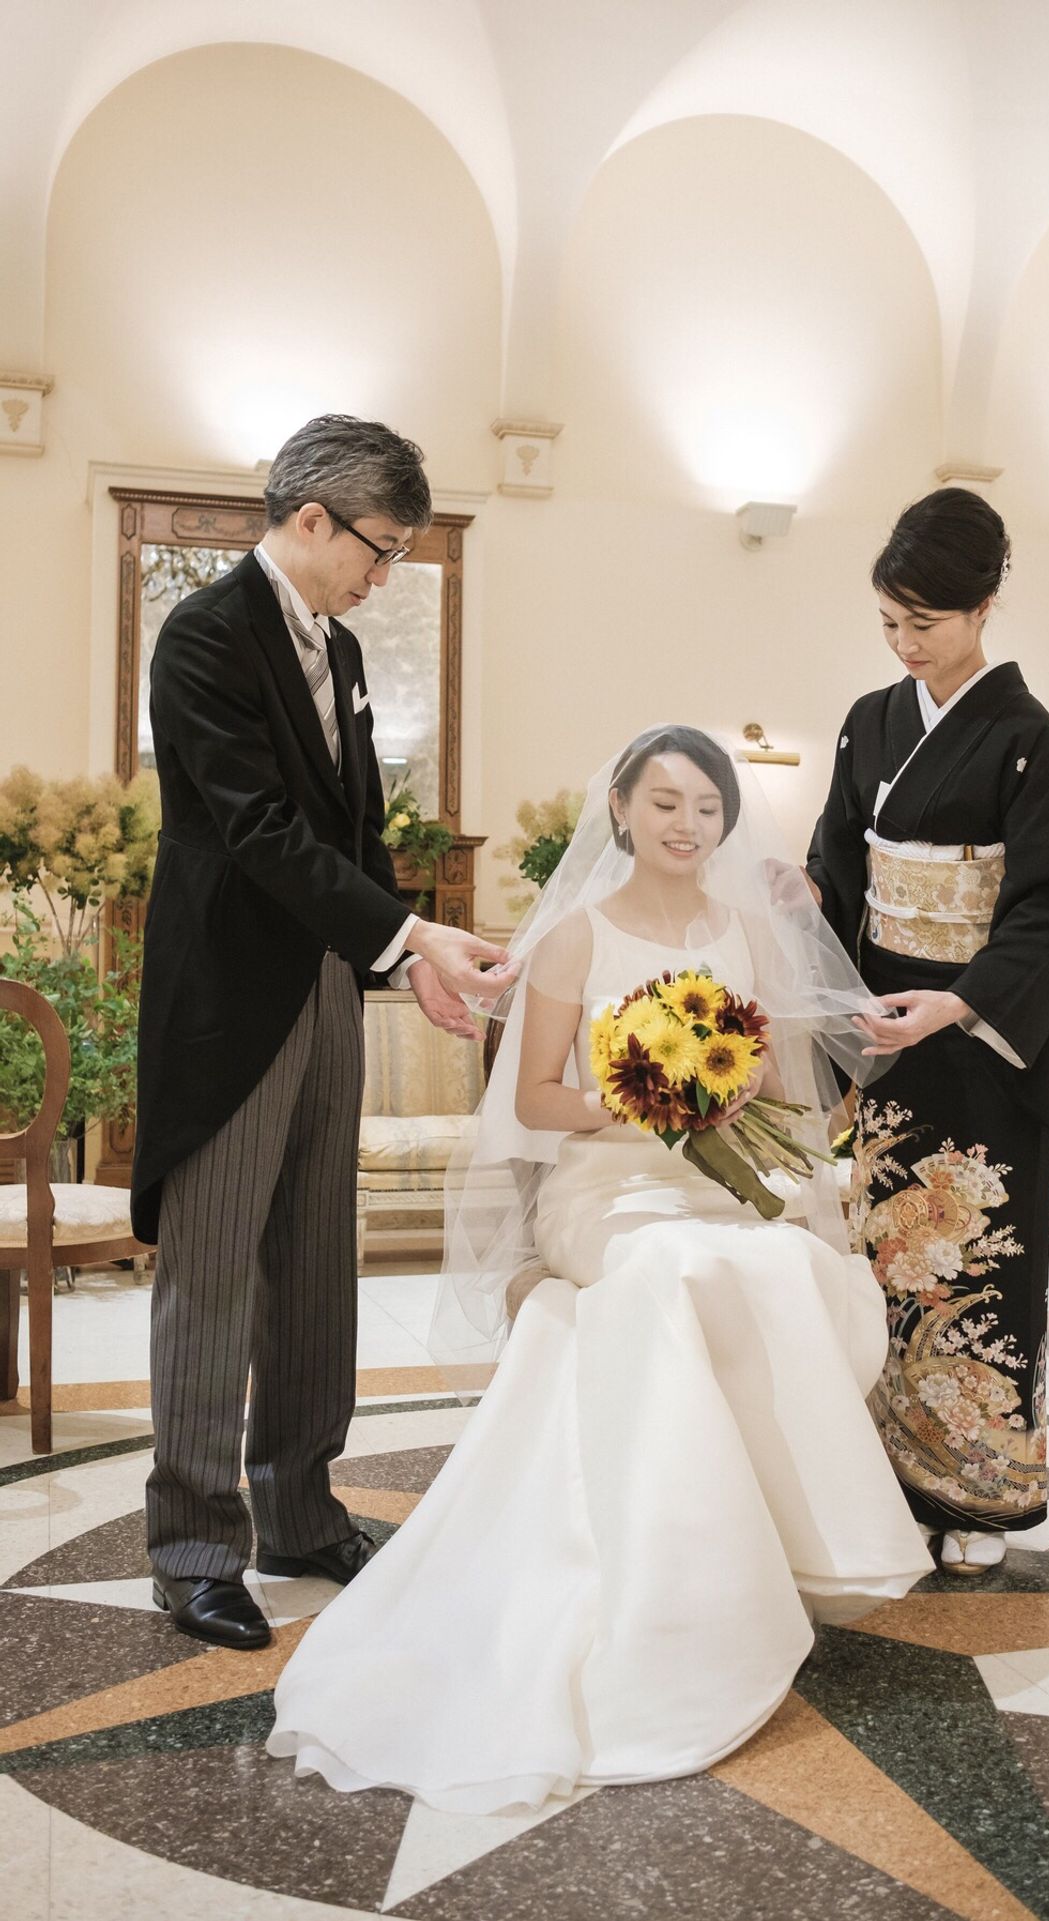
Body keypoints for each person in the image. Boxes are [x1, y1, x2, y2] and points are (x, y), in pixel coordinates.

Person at [267, 725, 932, 1813]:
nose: (687, 825)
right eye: (664, 803)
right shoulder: (576, 936)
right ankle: (676, 1574)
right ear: (620, 807)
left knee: (775, 1261)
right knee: (675, 1266)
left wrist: (736, 1094)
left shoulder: (747, 934)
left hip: (717, 1183)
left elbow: (778, 1088)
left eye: (707, 808)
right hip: (603, 1190)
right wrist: (642, 1096)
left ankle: (777, 1558)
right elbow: (532, 1101)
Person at [133, 415, 517, 1652]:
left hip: (323, 988)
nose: (383, 575)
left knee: (312, 1265)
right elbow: (254, 829)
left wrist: (401, 965)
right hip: (225, 999)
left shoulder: (340, 650)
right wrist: (409, 933)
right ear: (311, 518)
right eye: (379, 547)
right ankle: (194, 1549)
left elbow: (354, 835)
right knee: (211, 1272)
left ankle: (298, 1511)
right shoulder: (202, 636)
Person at [807, 488, 1049, 1574]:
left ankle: (979, 1494)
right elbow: (838, 861)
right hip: (886, 1028)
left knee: (979, 1267)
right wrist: (806, 909)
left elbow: (1047, 905)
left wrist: (961, 1001)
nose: (904, 644)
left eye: (924, 623)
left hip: (979, 1040)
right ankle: (885, 1484)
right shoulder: (868, 720)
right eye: (889, 622)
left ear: (983, 608)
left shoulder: (1028, 741)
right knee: (884, 1265)